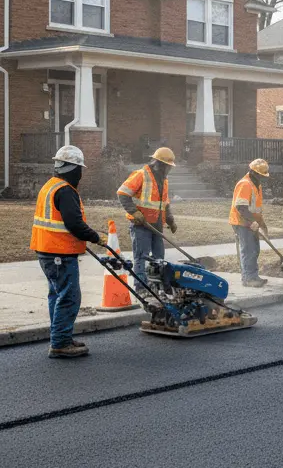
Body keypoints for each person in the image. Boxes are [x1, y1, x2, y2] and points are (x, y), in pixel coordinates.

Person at [30, 145, 105, 358]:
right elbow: (75, 224)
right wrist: (97, 237)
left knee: (57, 294)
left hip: (47, 250)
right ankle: (61, 343)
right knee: (69, 296)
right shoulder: (65, 190)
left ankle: (61, 337)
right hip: (58, 253)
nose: (80, 174)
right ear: (71, 169)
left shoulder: (50, 186)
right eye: (79, 169)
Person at [117, 147, 176, 282]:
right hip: (141, 225)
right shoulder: (141, 174)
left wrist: (170, 220)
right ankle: (141, 287)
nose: (169, 169)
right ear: (159, 164)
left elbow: (164, 203)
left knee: (159, 259)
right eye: (167, 166)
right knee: (141, 257)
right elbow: (122, 193)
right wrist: (134, 212)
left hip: (157, 226)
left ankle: (157, 288)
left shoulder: (164, 180)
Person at [230, 158, 271, 287]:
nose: (261, 178)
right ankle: (248, 278)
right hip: (241, 222)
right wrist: (252, 222)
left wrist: (262, 225)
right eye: (260, 175)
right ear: (253, 172)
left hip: (250, 222)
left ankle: (253, 276)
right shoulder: (245, 184)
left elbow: (256, 209)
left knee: (255, 250)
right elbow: (241, 207)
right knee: (249, 250)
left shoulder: (256, 185)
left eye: (262, 176)